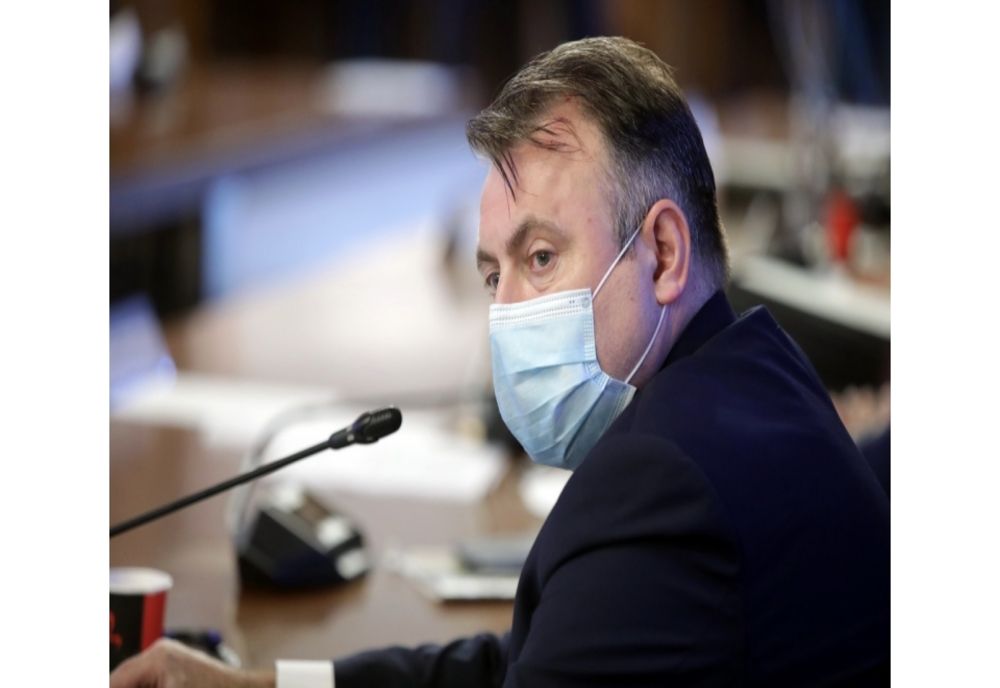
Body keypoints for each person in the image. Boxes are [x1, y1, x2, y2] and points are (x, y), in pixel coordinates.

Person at [111, 36, 889, 687]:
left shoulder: (661, 483)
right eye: (493, 276)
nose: (509, 312)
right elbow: (529, 661)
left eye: (541, 257)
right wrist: (264, 686)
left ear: (662, 252)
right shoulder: (758, 374)